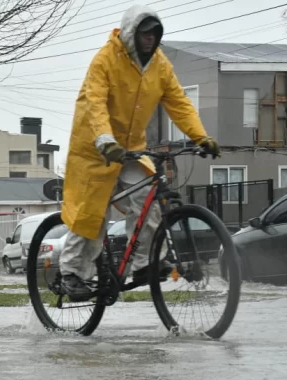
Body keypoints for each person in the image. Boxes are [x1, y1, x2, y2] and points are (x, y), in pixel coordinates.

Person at [58, 4, 220, 299]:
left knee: (149, 202)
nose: (150, 39)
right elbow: (94, 103)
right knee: (91, 213)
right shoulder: (105, 60)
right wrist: (105, 140)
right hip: (94, 148)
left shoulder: (160, 65)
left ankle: (145, 264)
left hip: (131, 149)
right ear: (132, 34)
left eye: (155, 34)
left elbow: (178, 102)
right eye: (145, 33)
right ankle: (71, 273)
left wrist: (201, 136)